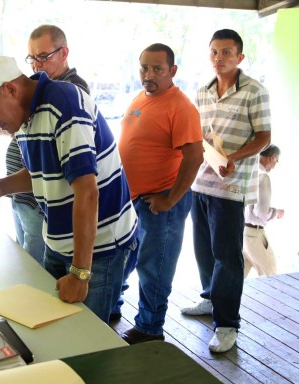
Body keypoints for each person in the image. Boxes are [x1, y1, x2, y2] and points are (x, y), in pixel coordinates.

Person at [0, 56, 137, 323]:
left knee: (88, 338)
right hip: (57, 241)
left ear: (10, 89)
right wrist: (0, 187)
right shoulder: (23, 118)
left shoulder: (64, 104)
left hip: (99, 249)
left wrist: (80, 274)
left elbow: (87, 192)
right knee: (57, 329)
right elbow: (42, 172)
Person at [181, 29, 271, 353]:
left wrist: (233, 157)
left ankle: (227, 324)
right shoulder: (202, 91)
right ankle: (209, 299)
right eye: (214, 52)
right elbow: (198, 134)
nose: (219, 59)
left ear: (240, 57)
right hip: (200, 182)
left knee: (227, 257)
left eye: (227, 53)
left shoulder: (255, 91)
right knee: (203, 250)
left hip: (230, 187)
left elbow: (263, 137)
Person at [116, 43, 203, 344]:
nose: (148, 74)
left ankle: (150, 328)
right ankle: (112, 306)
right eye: (144, 67)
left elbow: (194, 157)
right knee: (125, 259)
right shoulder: (142, 96)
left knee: (155, 267)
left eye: (157, 69)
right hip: (134, 199)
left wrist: (170, 199)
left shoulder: (180, 107)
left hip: (161, 201)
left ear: (172, 71)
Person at [5, 24, 90, 265]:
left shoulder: (70, 90)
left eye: (43, 57)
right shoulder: (40, 90)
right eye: (32, 58)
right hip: (22, 195)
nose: (36, 65)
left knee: (33, 271)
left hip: (38, 202)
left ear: (64, 53)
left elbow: (74, 173)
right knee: (25, 262)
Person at [243, 145, 283, 278]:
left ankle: (223, 299)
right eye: (276, 161)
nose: (275, 166)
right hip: (255, 234)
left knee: (237, 278)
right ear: (272, 157)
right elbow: (262, 212)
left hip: (242, 234)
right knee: (271, 275)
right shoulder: (263, 177)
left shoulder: (247, 172)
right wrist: (276, 213)